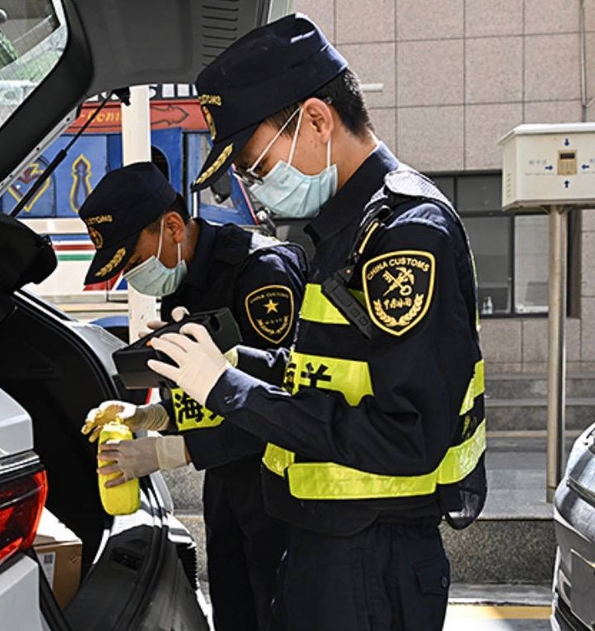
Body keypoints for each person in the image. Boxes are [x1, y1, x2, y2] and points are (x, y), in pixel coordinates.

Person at [142, 14, 487, 631]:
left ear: (318, 120)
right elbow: (324, 375)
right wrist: (235, 363)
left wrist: (230, 390)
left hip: (371, 560)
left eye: (255, 164)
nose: (253, 186)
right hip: (326, 545)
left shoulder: (404, 233)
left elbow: (408, 435)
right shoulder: (345, 230)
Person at [77, 162, 307, 631]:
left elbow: (282, 407)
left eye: (133, 261)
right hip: (226, 485)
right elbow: (210, 392)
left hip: (280, 488)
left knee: (280, 614)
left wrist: (170, 452)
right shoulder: (182, 279)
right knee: (234, 613)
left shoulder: (261, 273)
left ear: (173, 227)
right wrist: (151, 416)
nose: (132, 277)